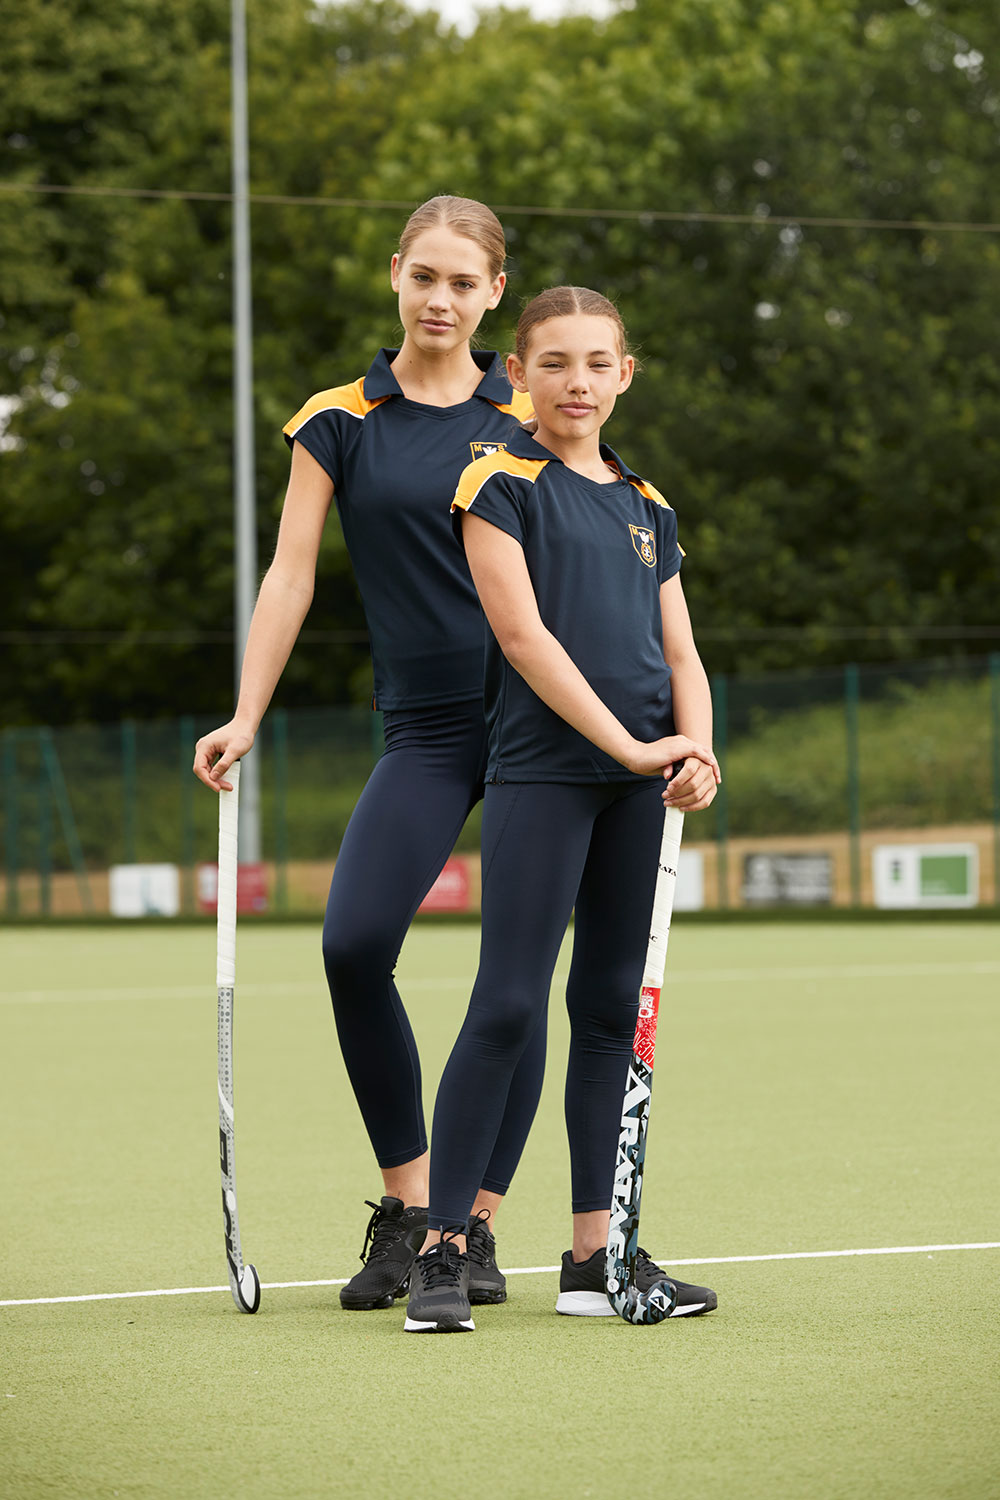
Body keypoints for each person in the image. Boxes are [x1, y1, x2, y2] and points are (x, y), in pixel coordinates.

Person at [193, 197, 547, 1312]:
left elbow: (603, 548)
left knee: (514, 983)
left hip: (545, 724)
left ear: (495, 293)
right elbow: (290, 574)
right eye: (423, 277)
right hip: (429, 730)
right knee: (352, 946)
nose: (440, 300)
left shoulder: (537, 409)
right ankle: (406, 1211)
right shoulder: (336, 420)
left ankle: (471, 1229)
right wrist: (247, 711)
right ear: (395, 274)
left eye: (463, 283)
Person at [403, 286, 721, 1333]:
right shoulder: (496, 480)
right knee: (505, 1002)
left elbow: (680, 652)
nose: (577, 382)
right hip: (545, 772)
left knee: (607, 1016)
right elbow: (525, 637)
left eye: (597, 363)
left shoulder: (648, 502)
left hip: (640, 790)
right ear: (520, 379)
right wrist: (631, 746)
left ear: (625, 373)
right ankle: (442, 1248)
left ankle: (599, 1257)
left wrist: (696, 749)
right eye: (555, 364)